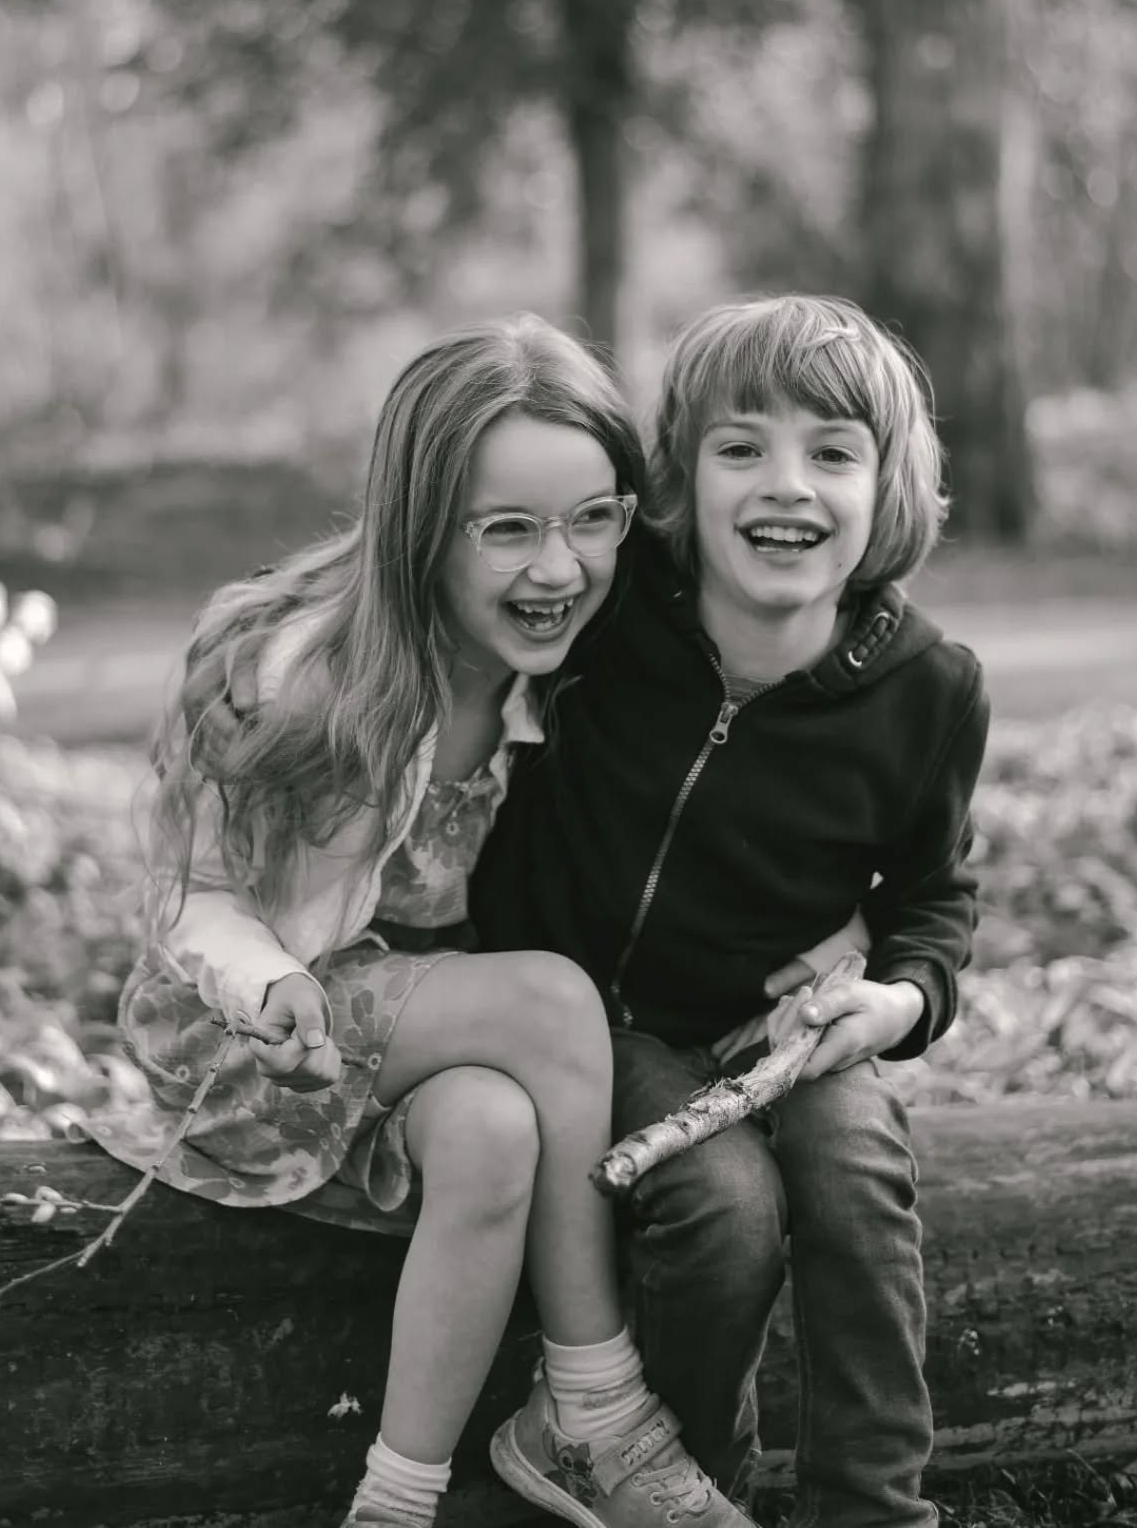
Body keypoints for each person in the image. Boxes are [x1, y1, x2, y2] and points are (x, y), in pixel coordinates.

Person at [89, 316, 756, 1528]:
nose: (558, 568)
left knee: (498, 1131)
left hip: (416, 1040)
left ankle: (393, 1501)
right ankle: (596, 1410)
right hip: (248, 1029)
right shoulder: (300, 667)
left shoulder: (566, 667)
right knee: (552, 1001)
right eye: (507, 528)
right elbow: (193, 893)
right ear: (419, 523)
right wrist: (263, 989)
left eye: (594, 518)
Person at [470, 294, 991, 1528]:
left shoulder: (930, 692)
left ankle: (871, 1501)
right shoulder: (617, 612)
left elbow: (934, 893)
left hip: (787, 1024)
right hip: (604, 1023)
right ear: (681, 478)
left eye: (832, 451)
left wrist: (897, 996)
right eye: (739, 445)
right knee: (722, 1208)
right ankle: (687, 1482)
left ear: (888, 485)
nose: (786, 484)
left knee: (858, 1167)